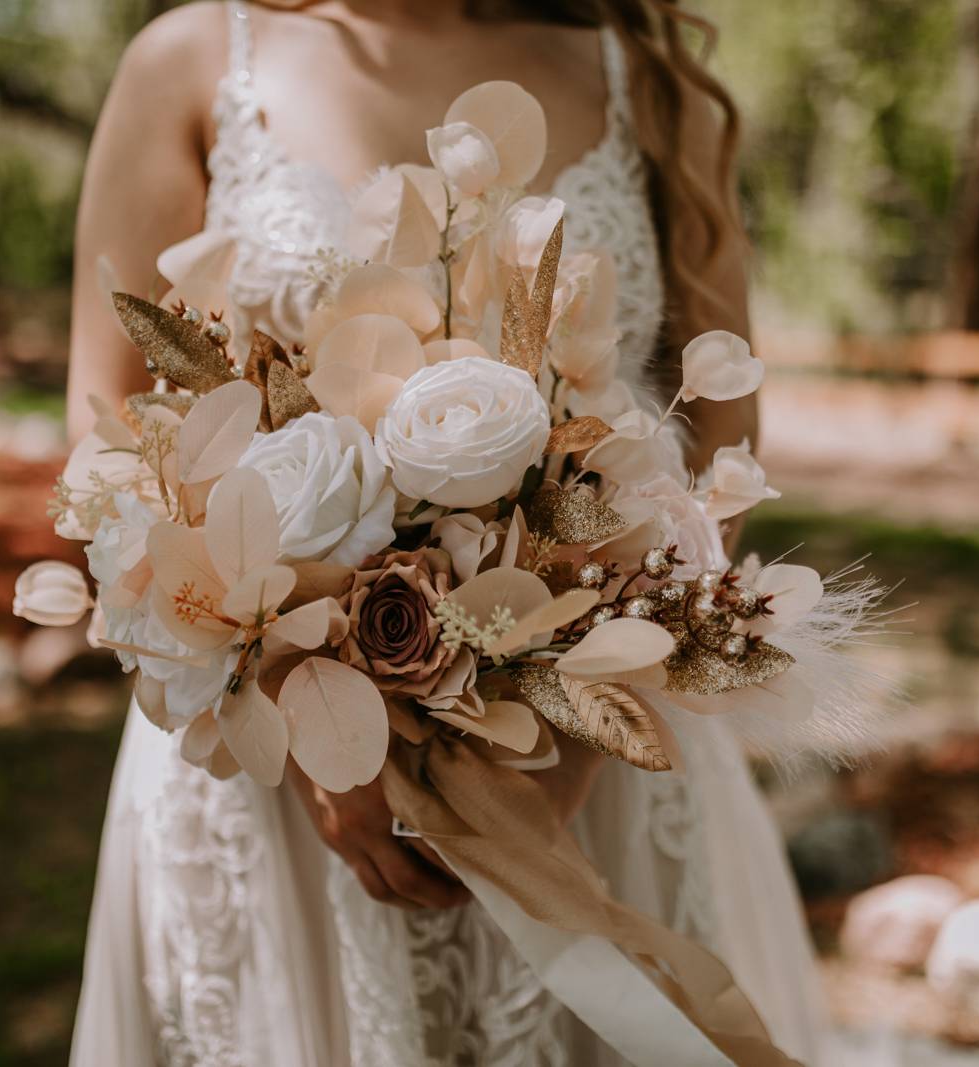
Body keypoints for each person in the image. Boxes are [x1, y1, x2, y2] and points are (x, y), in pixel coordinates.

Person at [66, 2, 828, 1063]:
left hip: (591, 771)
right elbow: (108, 435)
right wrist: (317, 731)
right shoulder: (193, 62)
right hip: (276, 778)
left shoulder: (644, 84)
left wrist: (585, 723)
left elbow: (717, 460)